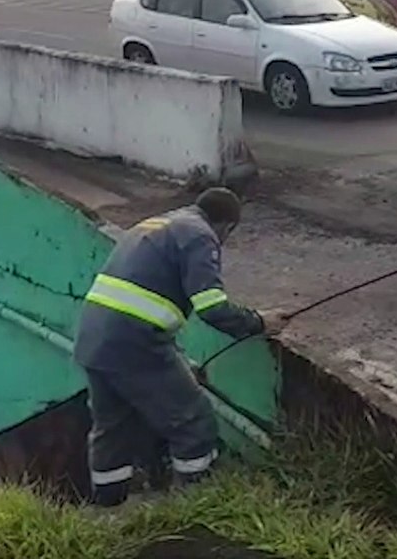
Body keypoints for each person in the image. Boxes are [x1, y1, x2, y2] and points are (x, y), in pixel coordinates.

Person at [73, 188, 281, 507]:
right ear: (227, 226)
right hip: (135, 345)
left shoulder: (157, 224)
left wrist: (177, 359)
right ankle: (195, 504)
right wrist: (258, 322)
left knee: (112, 426)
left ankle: (108, 507)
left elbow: (146, 295)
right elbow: (212, 307)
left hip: (94, 340)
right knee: (193, 420)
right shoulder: (201, 236)